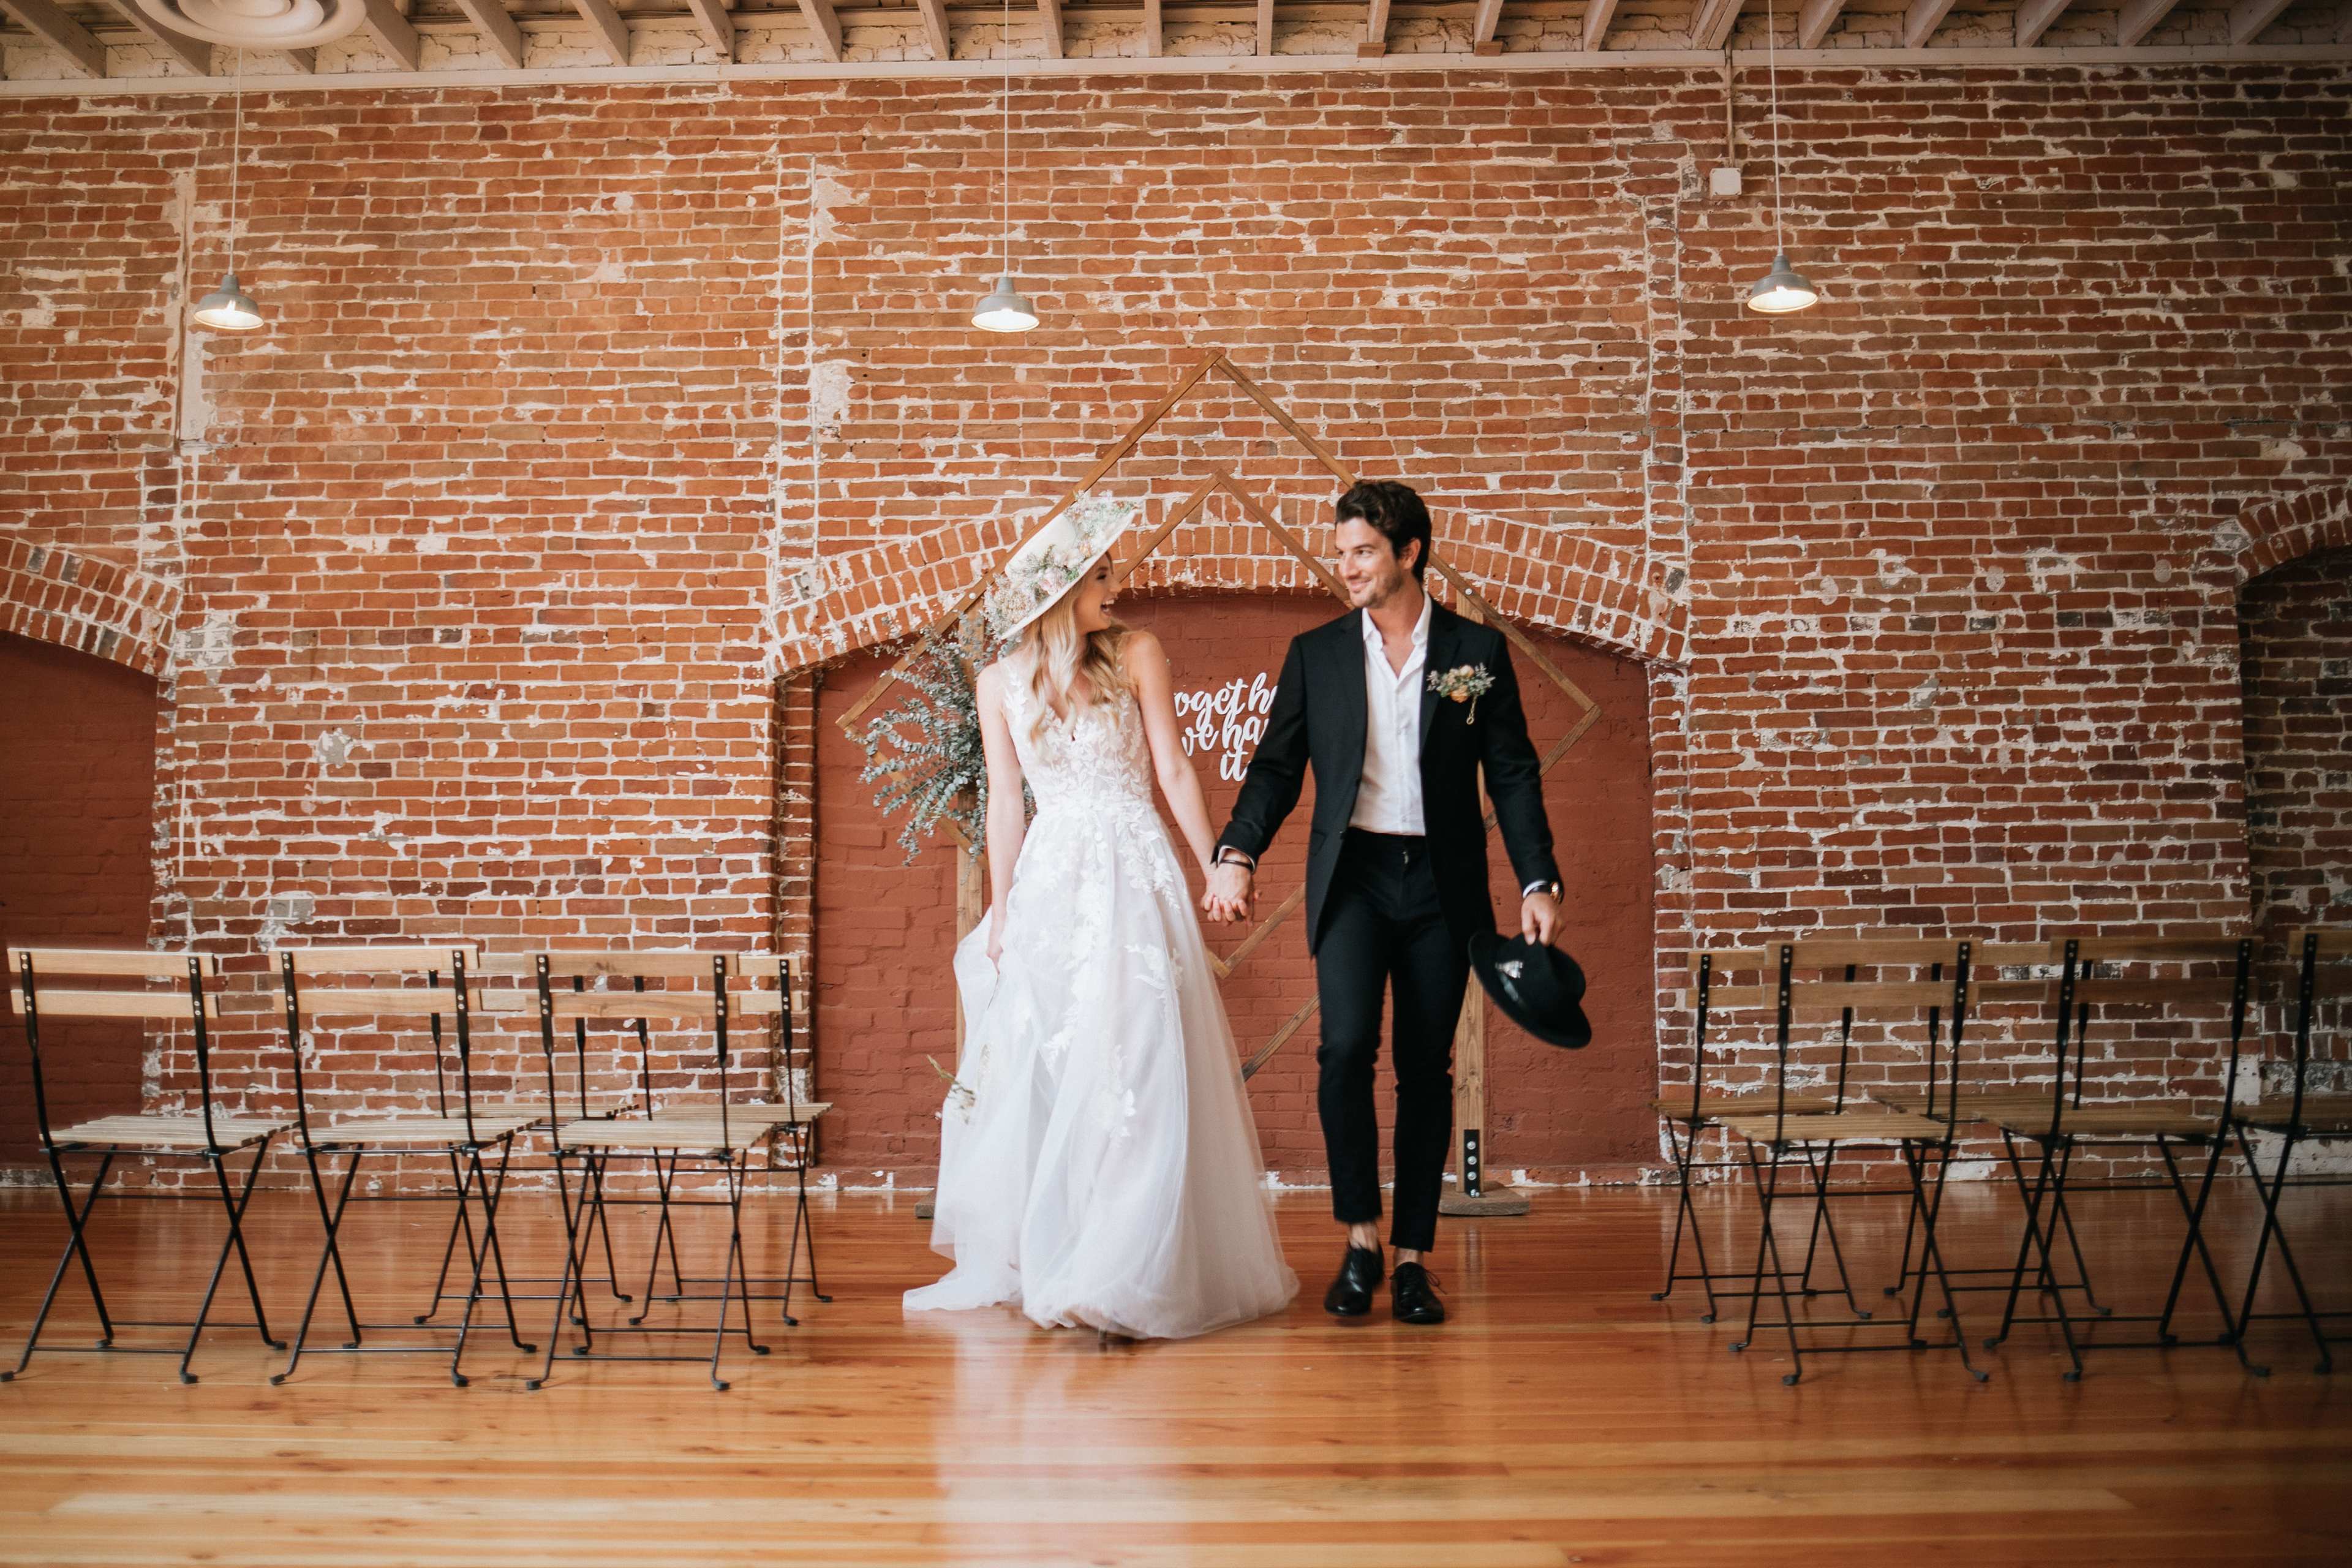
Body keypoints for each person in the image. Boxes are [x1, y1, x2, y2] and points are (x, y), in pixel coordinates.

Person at [904, 494, 1299, 1341]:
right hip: (1053, 885)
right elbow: (1006, 802)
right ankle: (1066, 1248)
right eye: (1100, 575)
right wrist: (1003, 911)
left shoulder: (1140, 653)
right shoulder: (1001, 682)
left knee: (1138, 1060)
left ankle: (1128, 1270)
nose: (1117, 584)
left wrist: (1215, 867)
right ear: (1059, 592)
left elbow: (1176, 771)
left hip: (1136, 873)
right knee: (1054, 1062)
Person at [1204, 480, 1562, 1326]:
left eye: (1363, 551)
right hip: (1355, 878)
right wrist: (1237, 851)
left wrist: (1538, 877)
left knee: (1424, 1069)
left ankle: (1411, 1258)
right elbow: (1276, 768)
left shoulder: (1476, 653)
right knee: (1345, 1049)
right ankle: (1361, 1239)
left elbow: (1510, 770)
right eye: (1342, 554)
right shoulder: (1318, 654)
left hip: (1445, 886)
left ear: (1409, 553)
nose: (1348, 568)